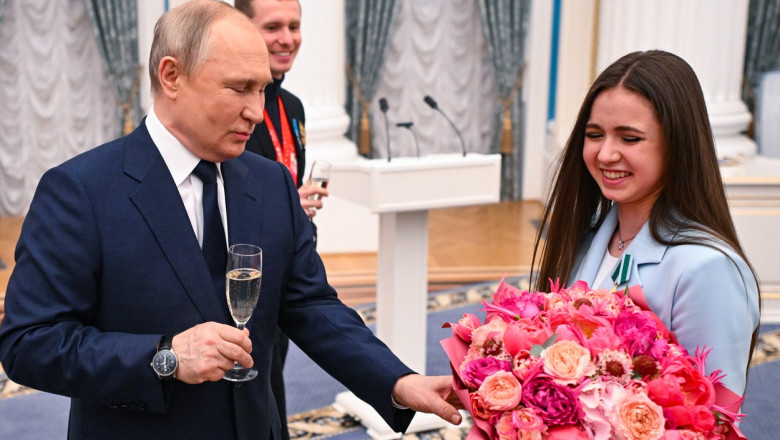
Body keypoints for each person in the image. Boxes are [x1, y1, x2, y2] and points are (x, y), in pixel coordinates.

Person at [0, 2, 462, 439]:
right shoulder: (81, 190)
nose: (256, 112)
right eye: (240, 88)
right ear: (171, 76)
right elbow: (29, 343)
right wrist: (165, 357)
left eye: (262, 88)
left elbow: (311, 305)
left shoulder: (270, 182)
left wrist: (397, 381)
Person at [531, 50, 760, 401]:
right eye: (595, 134)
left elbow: (713, 412)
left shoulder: (708, 269)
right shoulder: (586, 236)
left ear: (677, 145)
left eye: (629, 138)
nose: (606, 154)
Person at [233, 1, 319, 438]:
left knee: (274, 373)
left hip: (288, 263)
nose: (287, 38)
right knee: (252, 382)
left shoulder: (293, 106)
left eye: (294, 26)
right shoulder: (231, 109)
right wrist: (286, 204)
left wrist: (296, 204)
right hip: (245, 269)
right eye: (273, 27)